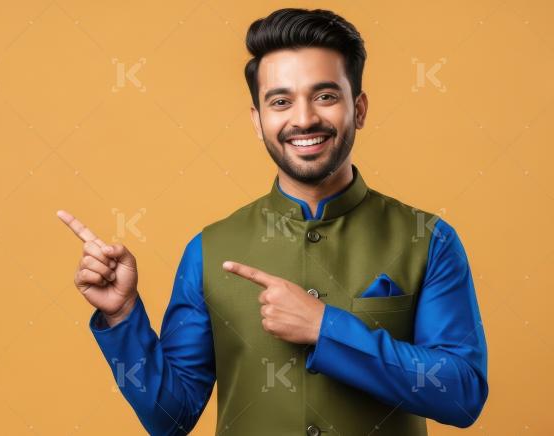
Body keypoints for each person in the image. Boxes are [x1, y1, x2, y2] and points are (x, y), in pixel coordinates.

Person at [57, 8, 488, 436]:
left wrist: (325, 328)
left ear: (358, 109)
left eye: (325, 96)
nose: (303, 119)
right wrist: (123, 316)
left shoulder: (428, 240)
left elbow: (463, 394)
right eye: (280, 102)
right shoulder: (209, 250)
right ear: (258, 121)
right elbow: (170, 419)